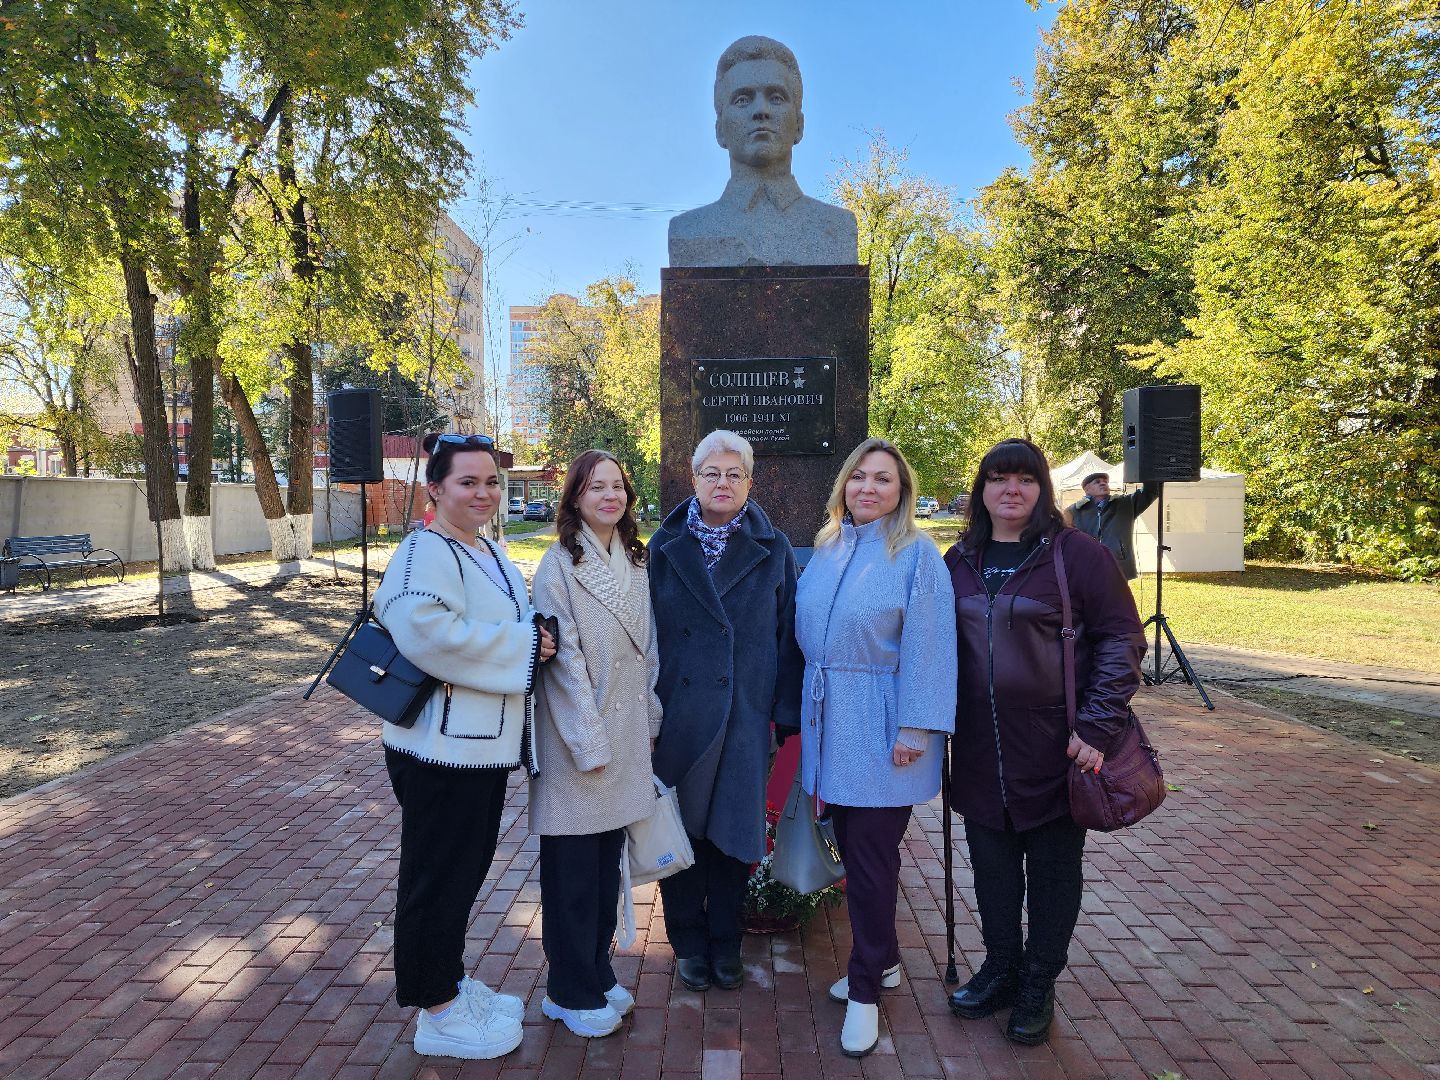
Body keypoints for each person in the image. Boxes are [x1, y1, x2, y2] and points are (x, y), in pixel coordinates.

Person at [944, 439, 1146, 1046]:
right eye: (999, 479)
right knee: (992, 869)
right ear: (982, 490)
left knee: (1054, 871)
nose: (1013, 490)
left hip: (1057, 749)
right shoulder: (958, 560)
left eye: (1025, 480)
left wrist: (1095, 726)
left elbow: (1121, 640)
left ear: (1042, 490)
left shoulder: (1076, 556)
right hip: (979, 748)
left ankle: (1039, 981)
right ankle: (1002, 966)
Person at [374, 431, 557, 1061]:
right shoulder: (424, 550)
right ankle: (436, 1009)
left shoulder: (485, 551)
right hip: (438, 751)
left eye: (491, 483)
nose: (482, 493)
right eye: (467, 482)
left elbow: (502, 621)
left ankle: (447, 983)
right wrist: (527, 647)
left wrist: (532, 633)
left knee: (463, 872)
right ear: (435, 489)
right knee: (435, 877)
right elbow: (424, 631)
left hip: (479, 746)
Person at [795, 438, 957, 1058]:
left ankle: (865, 990)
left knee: (870, 858)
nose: (868, 488)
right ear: (843, 485)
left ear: (902, 492)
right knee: (851, 840)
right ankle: (882, 957)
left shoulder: (918, 555)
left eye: (883, 480)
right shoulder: (829, 547)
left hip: (884, 724)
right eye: (858, 477)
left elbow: (931, 647)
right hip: (827, 718)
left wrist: (917, 729)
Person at [648, 429, 804, 992]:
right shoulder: (661, 548)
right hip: (678, 714)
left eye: (733, 475)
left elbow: (791, 637)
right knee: (681, 832)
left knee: (732, 836)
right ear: (693, 479)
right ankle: (687, 941)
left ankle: (725, 942)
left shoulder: (775, 549)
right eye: (711, 473)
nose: (722, 483)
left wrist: (783, 712)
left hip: (742, 714)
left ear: (749, 483)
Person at [530, 450, 662, 1039]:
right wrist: (590, 742)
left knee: (606, 867)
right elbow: (564, 665)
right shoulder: (558, 564)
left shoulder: (635, 560)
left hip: (627, 734)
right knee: (572, 873)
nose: (610, 496)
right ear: (575, 497)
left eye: (618, 487)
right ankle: (568, 989)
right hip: (576, 744)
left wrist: (648, 717)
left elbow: (649, 648)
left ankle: (596, 972)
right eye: (595, 487)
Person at [668, 36, 858, 267]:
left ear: (799, 125)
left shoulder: (837, 227)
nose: (761, 111)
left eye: (776, 98)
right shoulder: (689, 231)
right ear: (720, 130)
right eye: (742, 100)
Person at [1065, 471, 1157, 580]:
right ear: (1087, 489)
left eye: (1105, 482)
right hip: (1087, 566)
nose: (1103, 483)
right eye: (1097, 482)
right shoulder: (1074, 511)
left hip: (1118, 565)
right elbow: (1066, 538)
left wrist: (1144, 468)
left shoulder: (1126, 503)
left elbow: (1151, 491)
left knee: (1117, 596)